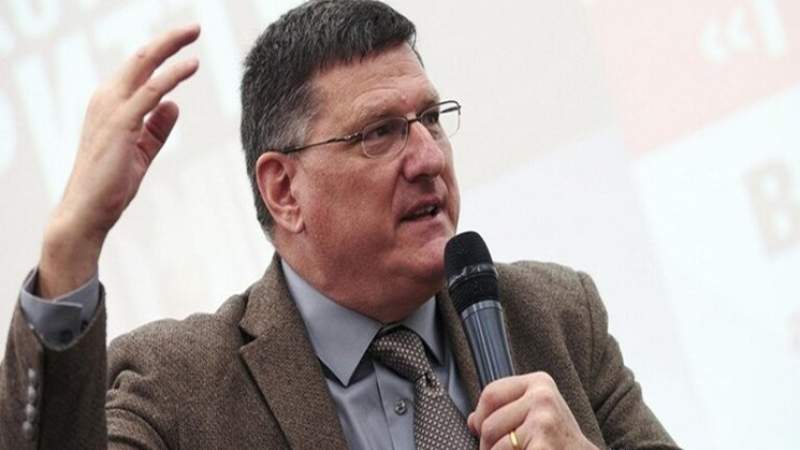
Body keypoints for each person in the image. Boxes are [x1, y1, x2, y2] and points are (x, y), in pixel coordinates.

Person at [0, 1, 678, 449]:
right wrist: (72, 247)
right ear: (283, 190)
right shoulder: (179, 388)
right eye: (380, 132)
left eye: (431, 119)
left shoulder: (555, 316)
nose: (428, 158)